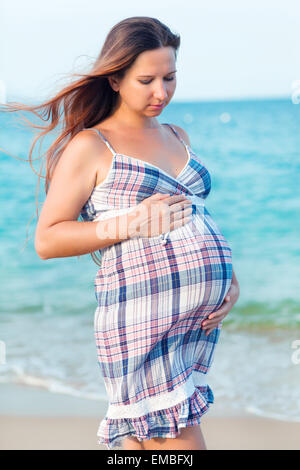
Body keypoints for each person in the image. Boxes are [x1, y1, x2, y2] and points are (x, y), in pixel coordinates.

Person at [4, 16, 240, 450]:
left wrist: (230, 281)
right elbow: (48, 239)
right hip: (140, 321)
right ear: (114, 79)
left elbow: (198, 215)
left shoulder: (176, 135)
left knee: (141, 446)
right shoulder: (92, 146)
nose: (161, 92)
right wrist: (129, 222)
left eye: (170, 77)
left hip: (190, 326)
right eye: (146, 80)